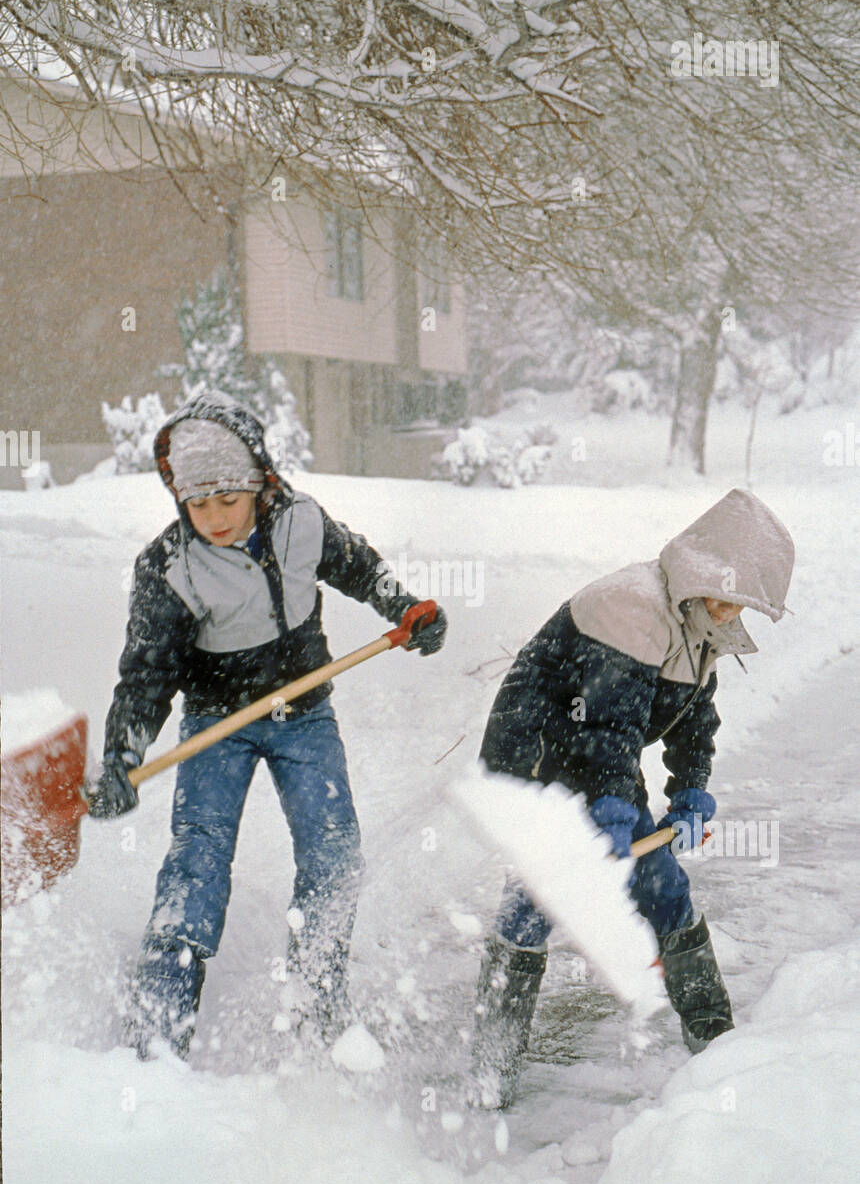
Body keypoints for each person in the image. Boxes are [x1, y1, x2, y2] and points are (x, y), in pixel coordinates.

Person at [87, 391, 447, 1060]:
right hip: (216, 722)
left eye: (228, 498)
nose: (215, 518)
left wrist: (405, 606)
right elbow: (145, 675)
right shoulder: (168, 567)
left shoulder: (302, 522)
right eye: (198, 504)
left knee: (334, 848)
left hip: (303, 715)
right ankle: (158, 1028)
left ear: (258, 482)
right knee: (197, 857)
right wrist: (122, 754)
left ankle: (317, 994)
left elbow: (359, 567)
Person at [470, 487, 794, 1108]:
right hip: (537, 749)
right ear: (700, 570)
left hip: (595, 757)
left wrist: (692, 783)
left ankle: (716, 1037)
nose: (729, 611)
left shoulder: (700, 620)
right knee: (540, 895)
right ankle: (491, 1070)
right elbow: (606, 722)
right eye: (724, 595)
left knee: (660, 884)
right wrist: (615, 805)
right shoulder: (634, 604)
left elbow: (695, 715)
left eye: (740, 603)